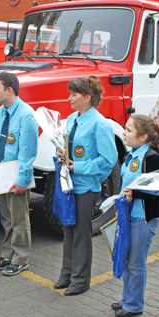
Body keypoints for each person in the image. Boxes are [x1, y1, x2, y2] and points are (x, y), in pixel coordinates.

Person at [54, 76, 117, 296]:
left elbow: (108, 160)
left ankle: (80, 281)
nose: (69, 98)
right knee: (68, 229)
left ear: (88, 97)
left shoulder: (99, 124)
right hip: (69, 185)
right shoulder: (72, 119)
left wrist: (78, 167)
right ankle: (67, 275)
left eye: (74, 94)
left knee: (80, 233)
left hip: (86, 187)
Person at [111, 115, 159, 317]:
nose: (124, 132)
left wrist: (135, 194)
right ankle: (126, 299)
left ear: (144, 135)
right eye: (125, 128)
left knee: (136, 263)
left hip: (142, 218)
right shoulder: (133, 154)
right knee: (128, 259)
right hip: (128, 216)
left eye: (129, 130)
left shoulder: (152, 158)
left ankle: (134, 305)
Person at [0, 72, 39, 276]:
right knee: (6, 218)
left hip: (15, 177)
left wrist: (23, 180)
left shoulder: (26, 115)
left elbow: (28, 152)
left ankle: (21, 258)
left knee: (19, 219)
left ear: (9, 90)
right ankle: (8, 254)